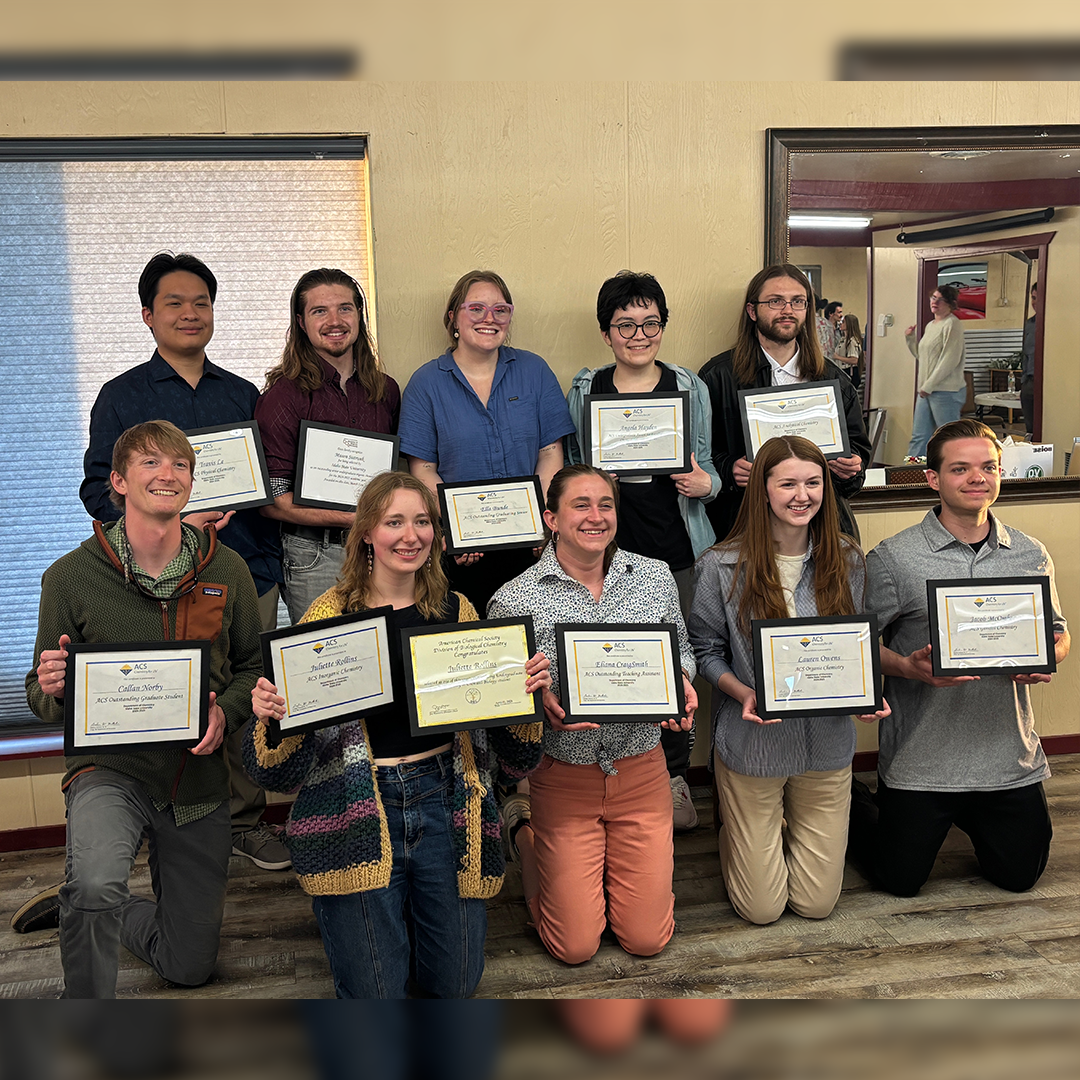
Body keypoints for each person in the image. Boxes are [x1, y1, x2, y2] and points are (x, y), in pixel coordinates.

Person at [243, 472, 548, 998]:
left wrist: (523, 700)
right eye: (394, 522)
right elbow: (276, 771)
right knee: (375, 997)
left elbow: (517, 761)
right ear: (366, 532)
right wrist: (273, 717)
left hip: (445, 800)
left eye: (423, 521)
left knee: (454, 989)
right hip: (356, 803)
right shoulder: (329, 616)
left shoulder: (458, 612)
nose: (411, 536)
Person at [24, 421, 263, 997]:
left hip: (197, 778)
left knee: (188, 967)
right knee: (98, 882)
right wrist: (51, 686)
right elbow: (41, 696)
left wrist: (225, 713)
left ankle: (92, 905)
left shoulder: (225, 570)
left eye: (180, 465)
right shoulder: (69, 577)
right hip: (112, 770)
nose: (168, 474)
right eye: (151, 462)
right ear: (119, 482)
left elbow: (254, 669)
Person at [79, 251, 289, 872]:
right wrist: (172, 517)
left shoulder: (244, 393)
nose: (189, 314)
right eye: (174, 302)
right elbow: (97, 488)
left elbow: (265, 483)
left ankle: (245, 822)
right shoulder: (122, 397)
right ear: (147, 315)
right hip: (157, 583)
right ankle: (171, 825)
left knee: (244, 692)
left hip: (245, 567)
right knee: (176, 697)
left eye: (201, 302)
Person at [487, 464, 697, 965]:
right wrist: (536, 706)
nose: (596, 516)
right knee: (575, 947)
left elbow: (682, 652)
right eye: (580, 505)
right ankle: (524, 832)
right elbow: (504, 699)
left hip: (642, 771)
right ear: (551, 518)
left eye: (605, 504)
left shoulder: (655, 577)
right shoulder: (513, 599)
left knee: (647, 940)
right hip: (564, 777)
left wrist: (681, 682)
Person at [863, 419, 1069, 897]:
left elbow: (1058, 633)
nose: (977, 478)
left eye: (988, 467)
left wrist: (1050, 656)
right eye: (960, 469)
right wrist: (906, 667)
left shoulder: (1029, 553)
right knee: (899, 882)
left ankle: (973, 819)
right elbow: (857, 646)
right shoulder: (894, 558)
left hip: (1005, 756)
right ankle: (861, 801)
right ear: (933, 479)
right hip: (922, 760)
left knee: (1020, 878)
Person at [688, 436, 889, 925]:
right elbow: (706, 651)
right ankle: (737, 829)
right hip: (754, 745)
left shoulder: (849, 559)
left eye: (813, 482)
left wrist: (867, 692)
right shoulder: (720, 565)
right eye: (788, 484)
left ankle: (769, 832)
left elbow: (856, 645)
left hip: (826, 744)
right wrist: (743, 693)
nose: (803, 495)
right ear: (763, 492)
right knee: (761, 910)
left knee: (815, 905)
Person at [565, 270, 720, 831]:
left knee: (677, 667)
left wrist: (709, 485)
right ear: (607, 332)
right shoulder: (586, 389)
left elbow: (710, 465)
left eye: (650, 322)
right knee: (609, 663)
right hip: (604, 557)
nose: (639, 334)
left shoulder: (689, 387)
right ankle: (609, 774)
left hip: (677, 550)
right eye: (625, 324)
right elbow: (574, 472)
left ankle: (672, 775)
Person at [397, 270, 577, 614]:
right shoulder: (425, 384)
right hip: (461, 549)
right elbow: (423, 470)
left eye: (500, 310)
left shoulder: (534, 371)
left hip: (534, 544)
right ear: (453, 318)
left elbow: (551, 454)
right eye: (476, 308)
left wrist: (544, 521)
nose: (489, 319)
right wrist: (456, 526)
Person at [255, 268, 400, 625]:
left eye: (345, 308)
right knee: (330, 663)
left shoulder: (385, 391)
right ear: (301, 322)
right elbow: (274, 501)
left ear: (359, 317)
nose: (335, 321)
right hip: (316, 555)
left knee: (387, 657)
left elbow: (398, 478)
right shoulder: (283, 398)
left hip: (381, 550)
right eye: (320, 311)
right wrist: (357, 519)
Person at [698, 264, 871, 546]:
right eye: (776, 301)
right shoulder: (717, 377)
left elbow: (857, 457)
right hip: (744, 530)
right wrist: (729, 469)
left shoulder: (835, 380)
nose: (787, 310)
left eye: (798, 302)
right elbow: (699, 453)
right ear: (753, 311)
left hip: (820, 532)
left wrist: (851, 469)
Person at [904, 284, 967, 460]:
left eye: (940, 300)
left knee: (948, 439)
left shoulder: (953, 324)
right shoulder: (931, 325)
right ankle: (910, 475)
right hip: (926, 390)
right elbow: (922, 356)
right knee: (919, 436)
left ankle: (955, 472)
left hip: (946, 392)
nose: (935, 302)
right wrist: (910, 339)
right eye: (934, 298)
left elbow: (950, 360)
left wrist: (929, 385)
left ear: (951, 304)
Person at [1020, 282, 1039, 438]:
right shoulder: (1030, 324)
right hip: (1029, 380)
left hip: (1046, 383)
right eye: (1033, 298)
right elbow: (1026, 353)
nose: (1035, 302)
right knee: (1030, 427)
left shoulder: (1054, 323)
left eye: (1038, 298)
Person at [832, 313, 864, 390]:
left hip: (849, 372)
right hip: (842, 371)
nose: (840, 324)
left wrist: (837, 357)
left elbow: (854, 360)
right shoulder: (843, 339)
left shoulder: (852, 341)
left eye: (843, 322)